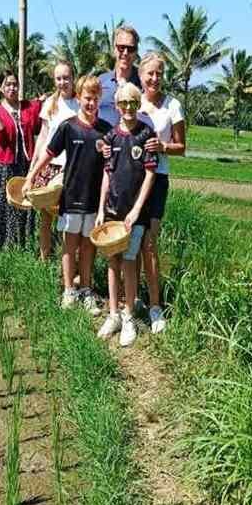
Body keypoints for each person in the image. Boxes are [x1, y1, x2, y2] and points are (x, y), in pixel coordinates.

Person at [24, 74, 110, 313]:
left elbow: (110, 168)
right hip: (71, 196)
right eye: (87, 98)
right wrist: (31, 177)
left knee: (88, 246)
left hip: (94, 200)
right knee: (69, 244)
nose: (91, 103)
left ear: (100, 99)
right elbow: (48, 154)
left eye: (95, 99)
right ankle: (68, 290)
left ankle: (86, 289)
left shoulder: (106, 131)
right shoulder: (68, 127)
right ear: (79, 98)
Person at [96, 83, 158, 347]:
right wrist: (101, 208)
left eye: (133, 102)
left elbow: (150, 174)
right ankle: (113, 314)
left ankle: (129, 315)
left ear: (138, 104)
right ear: (117, 106)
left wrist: (136, 210)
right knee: (113, 261)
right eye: (123, 103)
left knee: (130, 261)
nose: (128, 107)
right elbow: (107, 175)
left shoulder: (146, 135)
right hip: (112, 211)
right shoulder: (111, 137)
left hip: (135, 215)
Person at [137, 52, 186, 333]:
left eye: (159, 74)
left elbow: (182, 146)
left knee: (150, 243)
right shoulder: (132, 101)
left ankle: (155, 306)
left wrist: (163, 146)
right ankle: (130, 299)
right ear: (141, 75)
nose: (154, 78)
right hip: (132, 179)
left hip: (158, 180)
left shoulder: (173, 106)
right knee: (130, 241)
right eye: (150, 73)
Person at [0, 69, 42, 250]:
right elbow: (3, 140)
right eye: (8, 85)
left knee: (25, 201)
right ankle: (3, 244)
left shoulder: (28, 107)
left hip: (26, 163)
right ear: (0, 88)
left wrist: (42, 101)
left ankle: (24, 242)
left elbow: (37, 127)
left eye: (15, 84)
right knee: (6, 203)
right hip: (7, 164)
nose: (12, 88)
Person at [28, 61, 78, 261]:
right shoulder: (50, 102)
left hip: (70, 167)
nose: (62, 82)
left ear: (73, 78)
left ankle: (67, 264)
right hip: (49, 164)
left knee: (67, 217)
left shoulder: (80, 103)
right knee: (45, 216)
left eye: (66, 78)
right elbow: (43, 135)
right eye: (58, 78)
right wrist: (35, 164)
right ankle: (44, 258)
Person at [98, 24, 142, 126]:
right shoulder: (100, 82)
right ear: (114, 49)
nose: (125, 53)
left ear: (136, 52)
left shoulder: (143, 83)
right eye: (121, 47)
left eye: (130, 49)